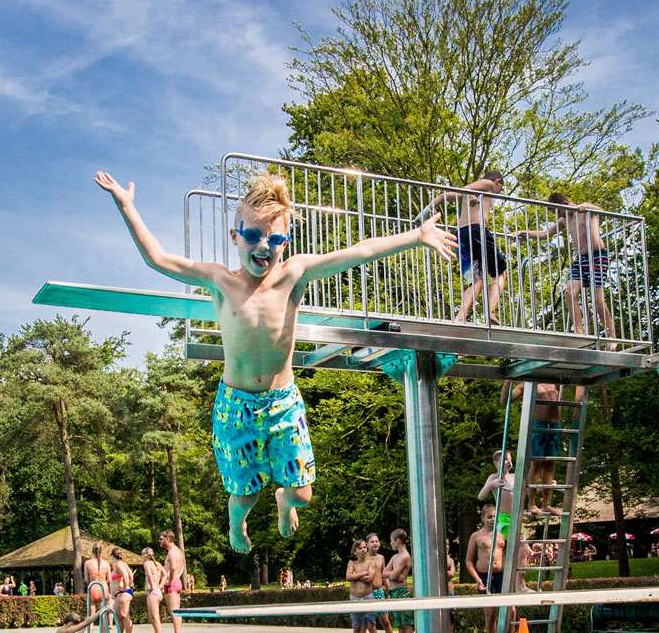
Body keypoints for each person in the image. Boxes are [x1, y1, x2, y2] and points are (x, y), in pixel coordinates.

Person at [96, 170, 456, 553]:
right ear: (235, 237)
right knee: (245, 495)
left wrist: (416, 237)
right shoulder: (221, 281)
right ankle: (238, 525)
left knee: (303, 493)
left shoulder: (293, 275)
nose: (263, 246)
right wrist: (126, 207)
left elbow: (359, 251)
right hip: (236, 406)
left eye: (275, 238)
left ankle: (284, 504)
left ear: (285, 241)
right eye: (252, 236)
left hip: (283, 401)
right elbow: (158, 259)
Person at [516, 193, 616, 344]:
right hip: (581, 259)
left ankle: (612, 337)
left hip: (597, 256)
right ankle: (579, 331)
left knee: (598, 300)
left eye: (559, 212)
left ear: (566, 203)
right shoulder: (564, 220)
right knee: (569, 292)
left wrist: (586, 206)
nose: (558, 216)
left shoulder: (585, 211)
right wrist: (524, 233)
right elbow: (544, 234)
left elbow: (600, 210)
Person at [418, 171, 507, 324]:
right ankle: (491, 312)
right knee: (499, 272)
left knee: (477, 280)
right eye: (501, 188)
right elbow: (467, 191)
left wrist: (424, 212)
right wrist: (472, 197)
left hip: (461, 235)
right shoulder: (488, 185)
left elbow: (444, 196)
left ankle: (460, 317)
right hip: (476, 231)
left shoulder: (470, 191)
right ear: (498, 181)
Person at [501, 381, 563, 516]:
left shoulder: (552, 381)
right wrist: (507, 382)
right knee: (536, 464)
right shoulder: (526, 384)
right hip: (538, 426)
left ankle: (546, 504)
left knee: (549, 464)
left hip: (554, 426)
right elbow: (505, 400)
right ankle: (532, 504)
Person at [477, 449, 533, 592]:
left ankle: (517, 584)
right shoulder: (494, 477)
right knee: (521, 550)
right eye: (506, 460)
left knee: (522, 551)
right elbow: (481, 496)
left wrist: (546, 485)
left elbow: (528, 491)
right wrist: (492, 485)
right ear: (497, 463)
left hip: (516, 517)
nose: (509, 462)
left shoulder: (515, 477)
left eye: (510, 459)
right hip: (503, 518)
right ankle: (519, 586)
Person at [466, 504, 514, 633]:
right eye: (489, 517)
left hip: (502, 575)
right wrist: (477, 578)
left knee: (511, 610)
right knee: (491, 614)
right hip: (484, 576)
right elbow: (469, 560)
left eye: (495, 517)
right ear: (482, 518)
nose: (492, 520)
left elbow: (513, 554)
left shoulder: (502, 534)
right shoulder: (476, 536)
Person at [383, 529, 413, 633]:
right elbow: (384, 574)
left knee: (407, 623)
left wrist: (391, 574)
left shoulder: (405, 557)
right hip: (393, 592)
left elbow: (392, 576)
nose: (391, 543)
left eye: (392, 541)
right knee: (399, 624)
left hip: (402, 592)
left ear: (398, 541)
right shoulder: (395, 556)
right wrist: (392, 574)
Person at [346, 539, 378, 633]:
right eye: (360, 548)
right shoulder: (351, 563)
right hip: (354, 598)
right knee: (357, 627)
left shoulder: (371, 563)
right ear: (354, 551)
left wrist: (355, 575)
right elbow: (348, 577)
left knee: (371, 625)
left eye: (364, 547)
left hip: (368, 597)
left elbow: (369, 579)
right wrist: (363, 573)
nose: (363, 550)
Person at [366, 533, 394, 633]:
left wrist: (389, 589)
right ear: (367, 544)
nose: (375, 544)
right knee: (371, 623)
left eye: (377, 541)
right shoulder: (363, 558)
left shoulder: (381, 558)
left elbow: (384, 574)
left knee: (385, 621)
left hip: (379, 592)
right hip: (368, 594)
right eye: (372, 542)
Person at [160, 530, 186, 633]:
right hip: (177, 581)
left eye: (161, 539)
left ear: (168, 539)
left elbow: (173, 568)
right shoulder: (178, 551)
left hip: (173, 582)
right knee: (176, 611)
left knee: (173, 611)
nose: (159, 541)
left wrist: (170, 581)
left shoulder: (172, 551)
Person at [81, 542, 111, 630]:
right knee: (103, 615)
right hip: (103, 589)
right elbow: (109, 579)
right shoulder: (106, 563)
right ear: (101, 551)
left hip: (93, 589)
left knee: (91, 616)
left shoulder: (87, 563)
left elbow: (86, 580)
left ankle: (90, 631)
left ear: (92, 551)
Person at [141, 547, 167, 633]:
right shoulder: (157, 564)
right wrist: (160, 586)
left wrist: (153, 586)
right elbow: (165, 574)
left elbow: (149, 575)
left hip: (152, 591)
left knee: (154, 617)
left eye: (142, 554)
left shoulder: (147, 563)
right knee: (153, 617)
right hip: (157, 591)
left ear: (145, 555)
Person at [109, 548, 134, 633]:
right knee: (119, 617)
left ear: (113, 556)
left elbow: (126, 576)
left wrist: (125, 587)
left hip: (122, 593)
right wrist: (130, 585)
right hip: (121, 593)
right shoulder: (124, 564)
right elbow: (131, 576)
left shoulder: (119, 564)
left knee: (124, 616)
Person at [446, 539, 457, 633]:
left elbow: (452, 574)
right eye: (444, 544)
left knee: (450, 621)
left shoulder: (451, 560)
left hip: (450, 594)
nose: (447, 546)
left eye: (448, 544)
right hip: (441, 595)